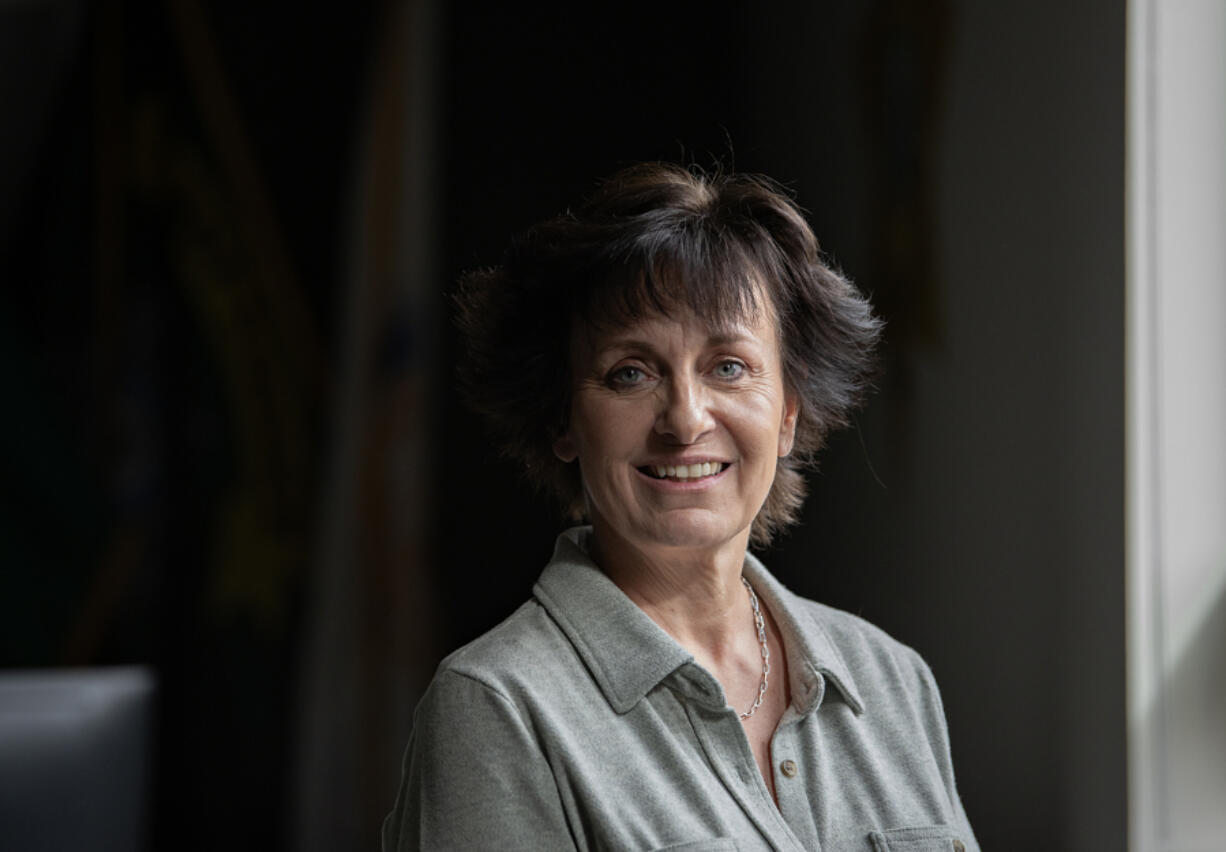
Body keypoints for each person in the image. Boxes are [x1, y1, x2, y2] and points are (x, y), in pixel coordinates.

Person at [383, 163, 978, 851]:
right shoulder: (499, 707)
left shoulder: (893, 682)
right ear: (563, 422)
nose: (685, 420)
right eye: (629, 373)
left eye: (729, 366)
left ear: (787, 410)